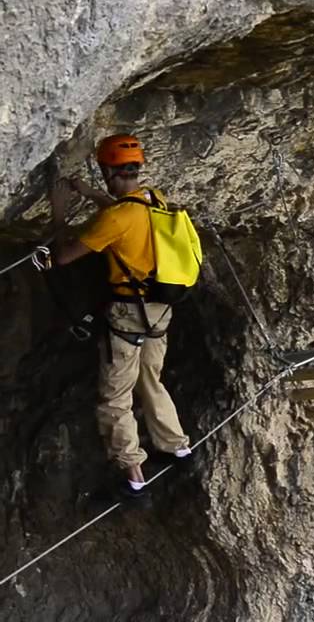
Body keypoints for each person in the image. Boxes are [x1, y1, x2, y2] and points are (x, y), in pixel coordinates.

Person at [47, 134, 191, 498]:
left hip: (129, 315)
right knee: (151, 380)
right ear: (136, 168)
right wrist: (90, 193)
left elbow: (64, 256)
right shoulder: (152, 198)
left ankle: (133, 473)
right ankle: (176, 445)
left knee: (116, 395)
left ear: (108, 170)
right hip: (161, 309)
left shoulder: (116, 217)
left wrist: (59, 210)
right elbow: (122, 212)